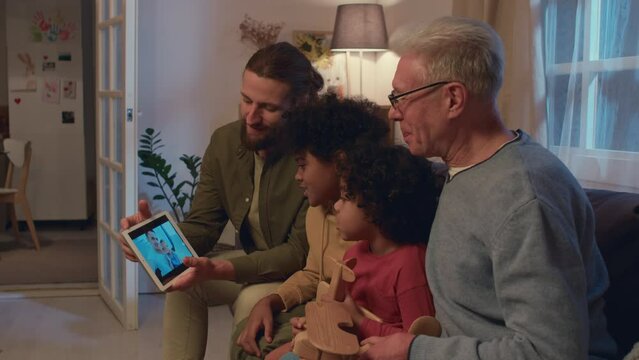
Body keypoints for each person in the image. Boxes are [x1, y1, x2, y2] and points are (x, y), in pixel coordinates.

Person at [360, 16, 616, 360]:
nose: (393, 113)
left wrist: (416, 351)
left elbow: (552, 352)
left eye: (401, 96)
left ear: (453, 99)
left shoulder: (523, 197)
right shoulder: (466, 169)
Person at [118, 42, 324, 360]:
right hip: (253, 259)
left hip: (295, 276)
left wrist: (222, 268)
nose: (251, 117)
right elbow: (203, 225)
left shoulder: (314, 156)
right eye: (245, 100)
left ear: (298, 106)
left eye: (267, 108)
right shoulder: (225, 141)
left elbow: (298, 253)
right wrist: (152, 240)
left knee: (249, 300)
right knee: (185, 284)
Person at [231, 94, 390, 359]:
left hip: (351, 328)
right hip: (320, 312)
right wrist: (272, 300)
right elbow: (314, 273)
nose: (298, 176)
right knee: (244, 335)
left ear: (340, 164)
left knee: (264, 349)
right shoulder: (316, 212)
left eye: (303, 165)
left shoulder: (369, 226)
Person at [271, 144, 439, 359]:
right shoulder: (355, 255)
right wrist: (317, 326)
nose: (337, 206)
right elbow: (341, 317)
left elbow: (418, 343)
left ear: (377, 205)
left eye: (347, 197)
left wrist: (359, 320)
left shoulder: (410, 262)